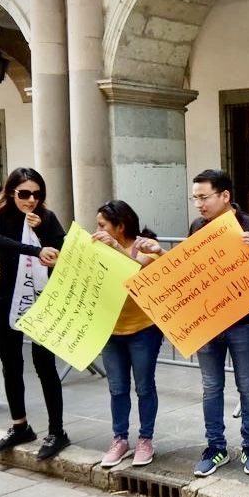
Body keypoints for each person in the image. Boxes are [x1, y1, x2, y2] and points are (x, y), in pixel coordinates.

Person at [189, 170, 249, 477]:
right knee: (211, 388)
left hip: (242, 322)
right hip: (208, 322)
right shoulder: (198, 227)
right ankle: (216, 448)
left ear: (224, 196)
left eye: (203, 197)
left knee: (248, 387)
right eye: (195, 197)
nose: (199, 204)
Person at [0, 168, 69, 460]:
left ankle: (57, 431)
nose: (31, 200)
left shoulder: (46, 216)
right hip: (4, 297)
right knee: (11, 364)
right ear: (11, 192)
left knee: (45, 365)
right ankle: (20, 426)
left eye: (37, 194)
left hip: (42, 298)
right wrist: (33, 249)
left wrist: (42, 230)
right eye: (24, 194)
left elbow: (61, 248)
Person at [91, 200, 166, 468]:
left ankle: (145, 439)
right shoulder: (97, 249)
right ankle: (119, 439)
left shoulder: (146, 246)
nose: (97, 230)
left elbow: (134, 272)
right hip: (112, 329)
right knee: (117, 387)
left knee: (144, 386)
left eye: (102, 225)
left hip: (143, 329)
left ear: (120, 226)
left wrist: (115, 249)